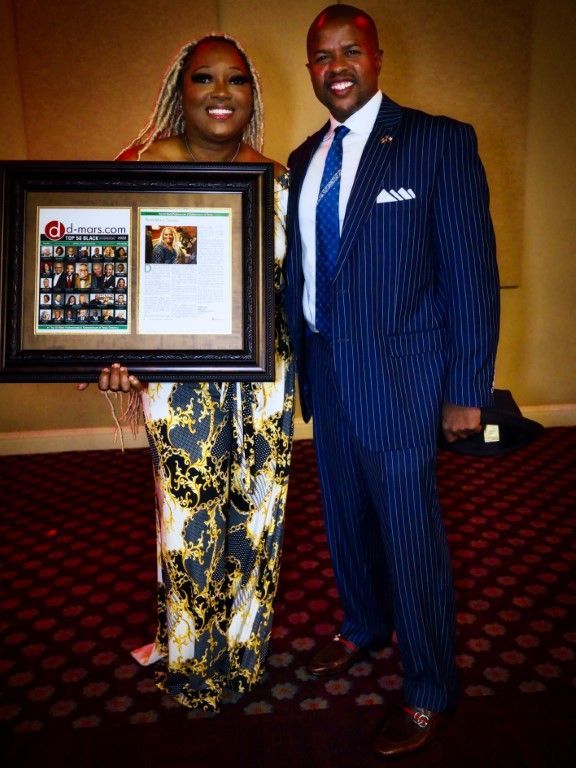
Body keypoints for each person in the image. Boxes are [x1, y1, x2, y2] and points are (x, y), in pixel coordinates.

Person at [284, 5, 500, 759]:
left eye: (350, 51)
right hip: (326, 373)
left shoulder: (437, 142)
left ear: (377, 58)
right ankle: (365, 626)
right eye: (321, 56)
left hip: (405, 382)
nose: (335, 66)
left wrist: (468, 389)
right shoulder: (303, 159)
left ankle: (429, 687)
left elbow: (471, 273)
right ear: (309, 68)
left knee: (412, 538)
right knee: (345, 522)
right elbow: (301, 277)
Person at [78, 34, 295, 713]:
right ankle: (195, 662)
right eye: (205, 78)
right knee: (191, 519)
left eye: (236, 80)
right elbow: (107, 293)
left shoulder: (279, 177)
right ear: (182, 92)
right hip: (180, 382)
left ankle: (244, 654)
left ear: (253, 96)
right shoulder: (138, 172)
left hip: (266, 379)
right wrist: (109, 357)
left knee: (257, 516)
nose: (221, 92)